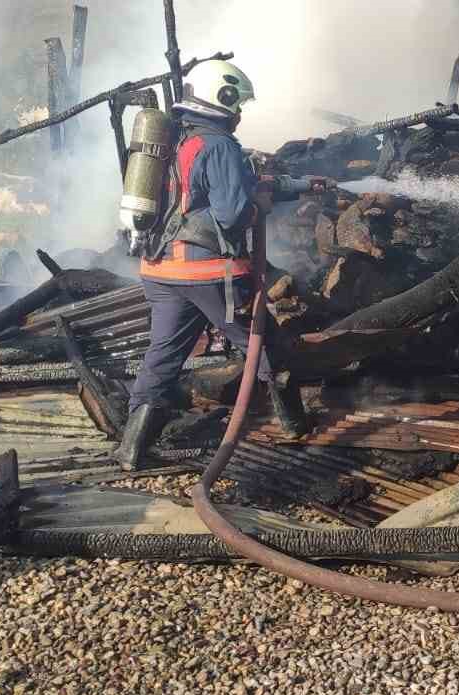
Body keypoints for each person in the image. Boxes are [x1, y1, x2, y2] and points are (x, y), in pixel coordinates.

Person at [114, 59, 308, 471]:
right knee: (265, 344)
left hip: (161, 271)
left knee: (162, 356)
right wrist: (259, 206)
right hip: (207, 275)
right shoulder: (218, 144)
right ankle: (296, 426)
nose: (239, 114)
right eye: (237, 103)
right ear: (222, 98)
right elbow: (233, 214)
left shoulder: (175, 138)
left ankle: (131, 447)